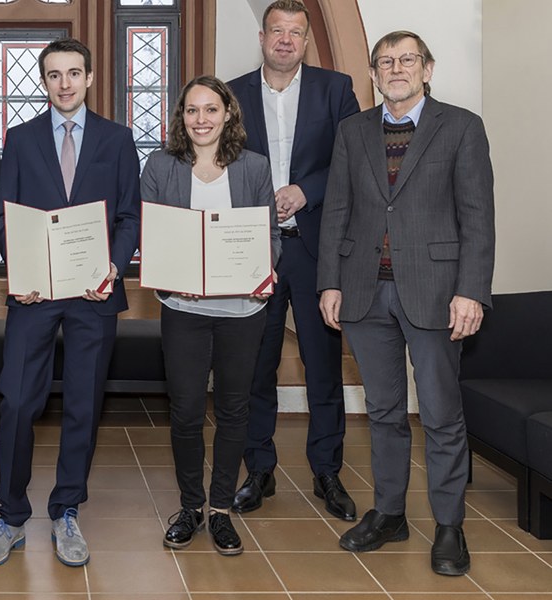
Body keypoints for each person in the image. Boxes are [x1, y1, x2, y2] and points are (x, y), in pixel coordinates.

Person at [318, 30, 494, 576]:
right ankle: (390, 514)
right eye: (385, 62)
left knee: (441, 415)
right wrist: (330, 281)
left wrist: (471, 290)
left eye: (407, 60)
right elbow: (337, 211)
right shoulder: (352, 132)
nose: (396, 68)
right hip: (366, 292)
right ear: (373, 75)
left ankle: (448, 526)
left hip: (438, 294)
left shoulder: (461, 127)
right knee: (384, 412)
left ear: (427, 69)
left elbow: (477, 216)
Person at [0, 38, 140, 569]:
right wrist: (18, 268)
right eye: (53, 75)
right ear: (43, 81)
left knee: (83, 407)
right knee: (19, 401)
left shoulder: (118, 139)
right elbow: (4, 214)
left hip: (94, 292)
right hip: (34, 293)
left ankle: (66, 508)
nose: (64, 83)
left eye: (73, 73)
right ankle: (11, 516)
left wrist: (113, 265)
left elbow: (129, 215)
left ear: (90, 77)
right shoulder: (19, 140)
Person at [227, 0, 360, 521]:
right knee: (253, 366)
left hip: (313, 248)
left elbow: (351, 162)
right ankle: (259, 470)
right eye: (277, 31)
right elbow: (216, 161)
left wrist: (307, 190)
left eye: (296, 33)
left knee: (321, 365)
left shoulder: (336, 89)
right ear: (262, 37)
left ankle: (327, 470)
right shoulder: (231, 93)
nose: (286, 40)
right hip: (251, 249)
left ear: (306, 41)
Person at [140, 76, 279, 556]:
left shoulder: (255, 168)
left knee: (234, 409)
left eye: (211, 110)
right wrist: (165, 273)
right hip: (183, 308)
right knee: (185, 411)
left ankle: (220, 509)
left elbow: (270, 237)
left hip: (243, 309)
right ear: (181, 117)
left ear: (227, 115)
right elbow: (151, 237)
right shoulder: (160, 167)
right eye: (192, 110)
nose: (201, 119)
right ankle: (190, 506)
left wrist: (264, 271)